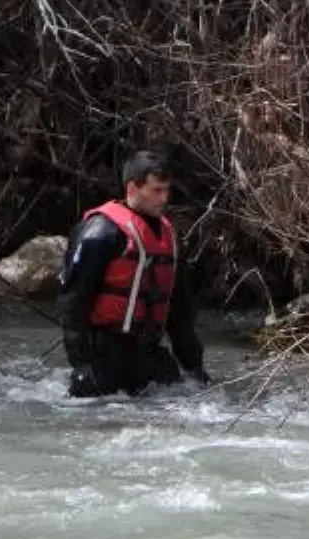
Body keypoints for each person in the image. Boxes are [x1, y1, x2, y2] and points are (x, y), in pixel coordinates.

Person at [57, 150, 212, 397]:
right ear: (132, 188)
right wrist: (82, 364)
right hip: (106, 355)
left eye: (166, 190)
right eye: (156, 191)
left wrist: (195, 368)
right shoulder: (99, 232)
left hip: (148, 354)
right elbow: (74, 301)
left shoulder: (169, 238)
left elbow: (180, 312)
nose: (164, 198)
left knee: (192, 400)